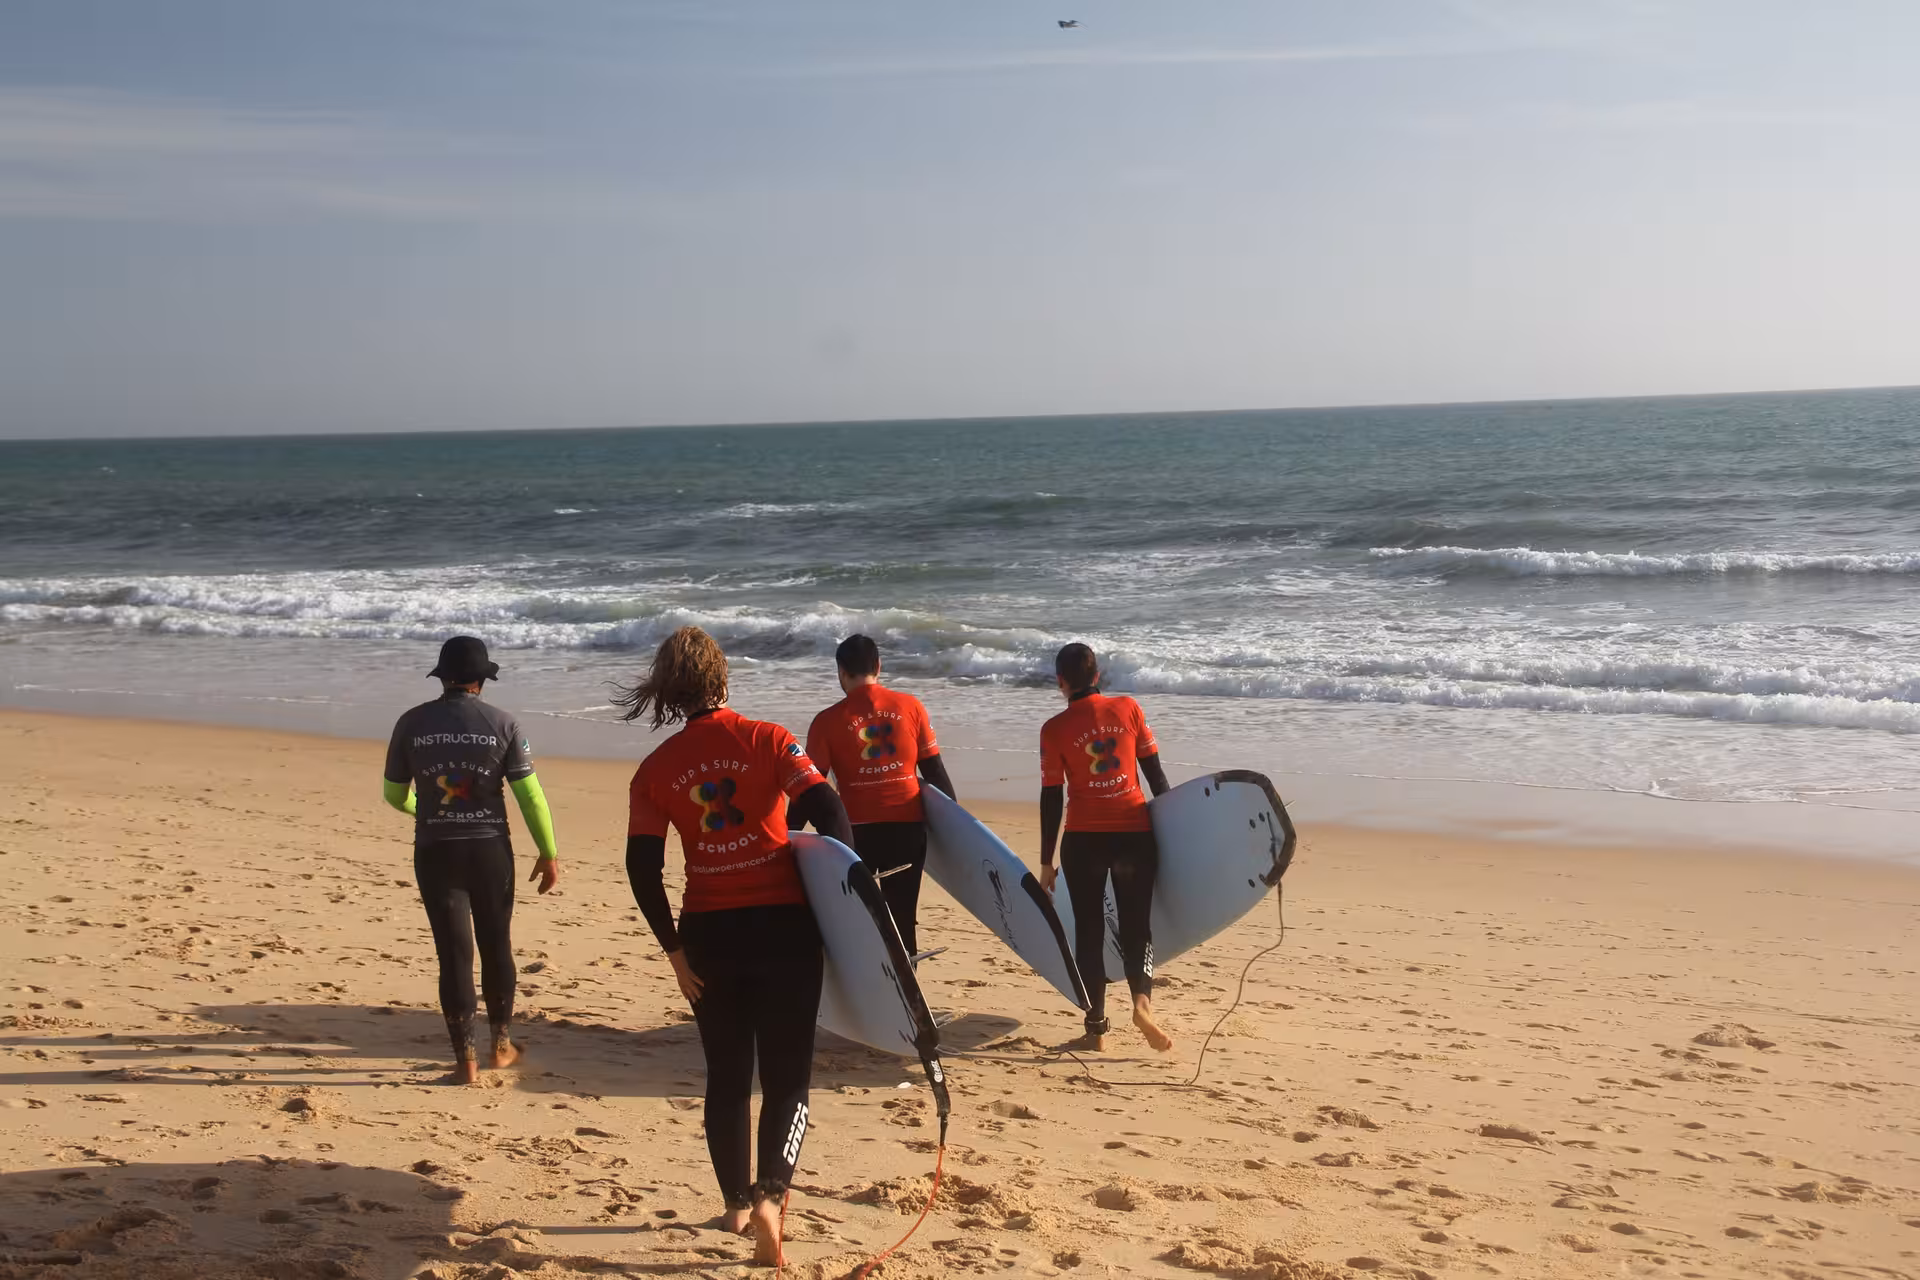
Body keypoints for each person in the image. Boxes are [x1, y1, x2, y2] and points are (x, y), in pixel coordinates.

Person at [620, 626, 854, 1266]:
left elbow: (642, 867)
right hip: (784, 930)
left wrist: (673, 952)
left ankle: (734, 1205)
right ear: (723, 679)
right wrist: (850, 906)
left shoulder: (656, 769)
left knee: (726, 1077)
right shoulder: (771, 739)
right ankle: (774, 1197)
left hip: (708, 937)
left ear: (670, 690)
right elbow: (829, 812)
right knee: (788, 1083)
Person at [383, 635, 561, 1085]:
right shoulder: (503, 723)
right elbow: (531, 798)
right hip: (490, 852)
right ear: (482, 680)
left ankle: (464, 1063)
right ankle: (500, 1049)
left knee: (454, 955)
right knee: (496, 944)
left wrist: (425, 813)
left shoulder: (411, 722)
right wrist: (548, 852)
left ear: (443, 678)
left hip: (435, 850)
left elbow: (392, 795)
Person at [1037, 642, 1174, 1054]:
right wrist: (1174, 831)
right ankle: (1142, 1006)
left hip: (1083, 842)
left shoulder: (1054, 729)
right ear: (1098, 677)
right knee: (1137, 928)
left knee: (1090, 933)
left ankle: (1095, 1029)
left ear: (1061, 682)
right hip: (1134, 834)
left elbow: (1050, 797)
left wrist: (1047, 860)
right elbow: (1155, 775)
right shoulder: (1129, 708)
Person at [804, 634, 956, 954]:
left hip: (855, 835)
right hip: (907, 830)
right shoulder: (911, 707)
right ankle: (910, 996)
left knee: (859, 919)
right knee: (903, 918)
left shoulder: (826, 721)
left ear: (841, 672)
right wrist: (958, 828)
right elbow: (935, 772)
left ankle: (871, 990)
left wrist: (787, 833)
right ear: (879, 666)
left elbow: (811, 789)